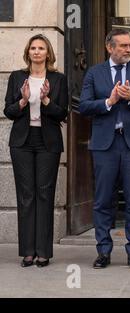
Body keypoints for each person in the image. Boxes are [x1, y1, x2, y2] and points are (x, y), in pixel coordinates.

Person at [79, 29, 130, 270]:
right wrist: (110, 101)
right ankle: (103, 251)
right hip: (105, 145)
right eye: (123, 45)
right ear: (109, 47)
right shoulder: (95, 73)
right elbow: (84, 106)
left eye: (129, 45)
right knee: (103, 200)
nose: (128, 49)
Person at [4, 34, 68, 268]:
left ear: (48, 53)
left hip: (47, 142)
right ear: (28, 52)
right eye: (33, 48)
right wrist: (22, 101)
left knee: (44, 193)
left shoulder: (58, 79)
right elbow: (9, 111)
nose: (37, 51)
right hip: (22, 141)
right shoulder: (17, 77)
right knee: (26, 195)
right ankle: (27, 252)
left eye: (41, 48)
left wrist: (46, 101)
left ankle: (43, 252)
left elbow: (63, 113)